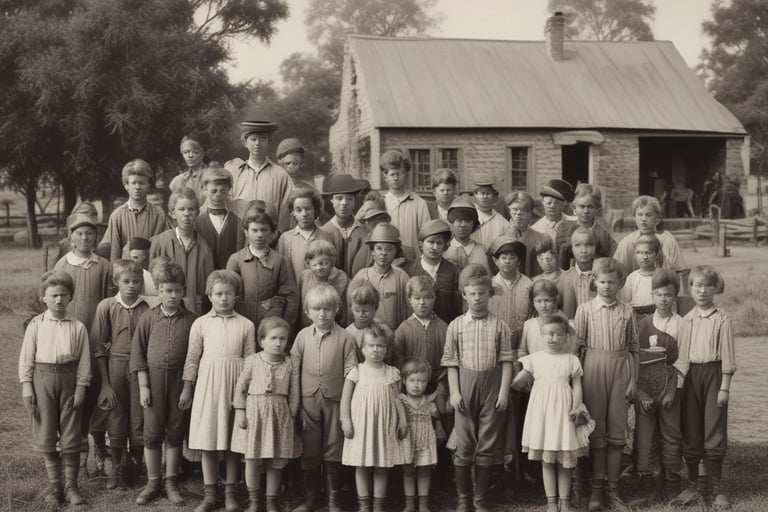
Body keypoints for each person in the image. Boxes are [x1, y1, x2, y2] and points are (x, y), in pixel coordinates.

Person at [441, 264, 514, 512]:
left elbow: (506, 361)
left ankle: (480, 499)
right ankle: (464, 499)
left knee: (487, 442)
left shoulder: (499, 326)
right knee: (464, 442)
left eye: (482, 293)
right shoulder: (456, 326)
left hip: (492, 385)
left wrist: (504, 391)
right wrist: (454, 391)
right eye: (471, 293)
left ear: (489, 294)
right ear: (464, 295)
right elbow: (451, 362)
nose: (477, 298)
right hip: (464, 384)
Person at [183, 270, 256, 512]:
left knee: (233, 442)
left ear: (236, 296)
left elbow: (250, 360)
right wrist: (187, 387)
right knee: (210, 439)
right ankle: (210, 494)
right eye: (218, 294)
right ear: (209, 296)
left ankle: (230, 494)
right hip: (209, 385)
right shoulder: (201, 323)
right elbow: (192, 358)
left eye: (228, 294)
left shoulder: (246, 324)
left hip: (236, 384)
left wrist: (245, 392)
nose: (223, 298)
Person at [19, 270, 92, 507]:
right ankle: (55, 486)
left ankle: (71, 485)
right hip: (42, 382)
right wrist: (27, 388)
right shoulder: (36, 325)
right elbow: (26, 359)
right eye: (54, 295)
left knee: (71, 436)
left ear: (71, 297)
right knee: (47, 434)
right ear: (44, 298)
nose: (59, 300)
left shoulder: (77, 327)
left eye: (64, 295)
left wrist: (81, 388)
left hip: (70, 381)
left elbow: (84, 360)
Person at [130, 261, 197, 506]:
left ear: (183, 291)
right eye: (167, 290)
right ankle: (153, 481)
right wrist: (144, 386)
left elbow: (195, 355)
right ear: (159, 290)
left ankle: (171, 481)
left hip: (180, 381)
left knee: (176, 431)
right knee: (152, 432)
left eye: (177, 291)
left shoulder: (192, 320)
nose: (172, 295)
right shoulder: (149, 317)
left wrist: (188, 387)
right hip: (153, 382)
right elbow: (137, 352)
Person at [574, 257, 639, 511]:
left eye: (612, 282)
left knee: (617, 432)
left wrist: (633, 381)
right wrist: (577, 385)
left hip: (620, 371)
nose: (607, 286)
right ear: (595, 282)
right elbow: (578, 349)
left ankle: (614, 489)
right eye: (602, 281)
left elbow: (634, 349)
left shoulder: (627, 311)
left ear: (620, 283)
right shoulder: (585, 310)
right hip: (593, 371)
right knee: (596, 431)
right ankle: (597, 491)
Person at [290, 283, 358, 512]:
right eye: (317, 309)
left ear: (337, 309)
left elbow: (352, 371)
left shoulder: (346, 338)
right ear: (307, 311)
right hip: (308, 402)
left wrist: (347, 409)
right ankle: (311, 499)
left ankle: (333, 500)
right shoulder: (301, 337)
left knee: (333, 449)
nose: (322, 314)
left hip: (335, 402)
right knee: (309, 450)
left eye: (327, 309)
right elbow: (294, 371)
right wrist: (295, 405)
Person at [673, 266, 735, 509]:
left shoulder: (722, 319)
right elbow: (682, 356)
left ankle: (717, 488)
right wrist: (679, 383)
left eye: (706, 286)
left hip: (714, 376)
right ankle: (694, 486)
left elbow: (728, 356)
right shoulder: (686, 320)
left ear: (715, 289)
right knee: (691, 429)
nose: (701, 290)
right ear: (690, 288)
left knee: (714, 429)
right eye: (696, 285)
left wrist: (725, 387)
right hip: (690, 377)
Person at [54, 212, 111, 473]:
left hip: (97, 338)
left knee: (95, 392)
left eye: (90, 233)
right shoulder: (62, 266)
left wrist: (106, 336)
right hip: (70, 341)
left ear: (96, 238)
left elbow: (109, 304)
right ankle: (76, 452)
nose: (85, 238)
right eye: (79, 233)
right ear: (70, 238)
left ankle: (100, 446)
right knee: (72, 395)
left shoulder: (104, 266)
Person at [512, 315, 587, 512]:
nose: (552, 338)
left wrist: (576, 407)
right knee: (547, 457)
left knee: (564, 459)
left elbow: (577, 387)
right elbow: (518, 383)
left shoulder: (571, 360)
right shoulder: (534, 359)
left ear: (565, 337)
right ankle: (551, 502)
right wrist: (511, 384)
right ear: (542, 335)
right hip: (543, 413)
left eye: (557, 334)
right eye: (548, 334)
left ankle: (565, 501)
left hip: (564, 412)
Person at [90, 260, 151, 490]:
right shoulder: (106, 306)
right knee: (115, 415)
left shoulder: (147, 308)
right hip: (114, 366)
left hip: (140, 368)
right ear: (116, 282)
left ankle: (134, 467)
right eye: (126, 281)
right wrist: (105, 383)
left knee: (138, 416)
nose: (132, 286)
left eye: (136, 281)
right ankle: (116, 468)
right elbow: (99, 347)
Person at [340, 323, 411, 512]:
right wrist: (345, 421)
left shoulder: (391, 372)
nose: (375, 350)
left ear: (386, 349)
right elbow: (345, 400)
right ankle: (364, 505)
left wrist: (403, 422)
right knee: (361, 465)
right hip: (361, 425)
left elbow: (398, 400)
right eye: (371, 345)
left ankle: (378, 506)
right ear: (362, 348)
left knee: (381, 464)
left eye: (380, 346)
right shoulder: (357, 372)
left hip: (384, 426)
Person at [234, 317, 301, 512]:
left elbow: (294, 392)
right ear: (262, 341)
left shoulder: (290, 363)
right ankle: (254, 501)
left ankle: (272, 501)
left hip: (280, 415)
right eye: (273, 338)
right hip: (255, 414)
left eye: (282, 339)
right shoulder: (252, 360)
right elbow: (241, 387)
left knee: (276, 460)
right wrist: (240, 411)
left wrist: (291, 414)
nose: (278, 343)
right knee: (253, 459)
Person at [633, 269, 683, 505]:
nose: (663, 299)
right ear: (652, 295)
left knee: (671, 434)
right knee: (645, 435)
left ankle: (672, 485)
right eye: (658, 294)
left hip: (670, 386)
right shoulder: (643, 324)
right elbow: (636, 360)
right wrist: (641, 393)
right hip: (645, 387)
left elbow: (684, 361)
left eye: (668, 294)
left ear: (675, 296)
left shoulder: (681, 324)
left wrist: (672, 390)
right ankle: (648, 485)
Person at [393, 276, 450, 439]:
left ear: (435, 298)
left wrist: (442, 388)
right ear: (409, 300)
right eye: (417, 298)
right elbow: (397, 365)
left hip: (437, 389)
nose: (422, 303)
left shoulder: (444, 328)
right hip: (412, 392)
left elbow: (450, 361)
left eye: (427, 298)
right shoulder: (403, 330)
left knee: (439, 432)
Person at [227, 211, 299, 330]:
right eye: (254, 230)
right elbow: (228, 292)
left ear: (271, 233)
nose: (259, 235)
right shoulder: (236, 259)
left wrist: (285, 324)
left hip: (271, 323)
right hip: (242, 322)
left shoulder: (280, 261)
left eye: (264, 230)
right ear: (246, 232)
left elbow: (291, 295)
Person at [149, 187, 215, 315]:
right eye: (181, 209)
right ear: (172, 213)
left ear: (197, 213)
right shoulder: (160, 242)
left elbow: (208, 285)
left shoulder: (204, 247)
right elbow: (153, 282)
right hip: (165, 310)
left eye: (191, 209)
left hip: (195, 311)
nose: (186, 214)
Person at [350, 223, 410, 331]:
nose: (384, 253)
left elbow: (409, 310)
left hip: (394, 334)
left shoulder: (401, 277)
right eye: (379, 248)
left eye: (389, 249)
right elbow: (352, 310)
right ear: (372, 252)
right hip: (367, 336)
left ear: (395, 252)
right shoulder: (361, 276)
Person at [107, 159, 169, 262]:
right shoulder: (117, 216)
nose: (137, 187)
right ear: (126, 186)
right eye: (133, 183)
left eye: (141, 183)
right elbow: (115, 253)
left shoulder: (158, 214)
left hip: (152, 271)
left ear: (149, 185)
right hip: (126, 273)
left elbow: (165, 247)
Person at [225, 120, 293, 214]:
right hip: (238, 227)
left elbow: (286, 210)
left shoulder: (280, 174)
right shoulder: (234, 172)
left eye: (262, 139)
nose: (257, 143)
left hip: (270, 228)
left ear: (269, 142)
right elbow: (225, 203)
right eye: (253, 139)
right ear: (245, 142)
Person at [399, 359, 440, 512]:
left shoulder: (429, 402)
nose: (417, 385)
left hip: (425, 442)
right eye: (412, 380)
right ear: (404, 381)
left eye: (422, 381)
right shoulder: (401, 401)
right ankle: (409, 504)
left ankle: (423, 504)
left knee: (424, 471)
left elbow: (436, 417)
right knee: (408, 472)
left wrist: (436, 412)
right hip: (408, 442)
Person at [613, 196, 687, 278]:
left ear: (657, 218)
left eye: (648, 215)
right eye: (640, 215)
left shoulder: (667, 239)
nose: (643, 219)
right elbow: (617, 272)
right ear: (634, 218)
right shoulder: (627, 242)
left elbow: (680, 271)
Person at [404, 219, 460, 324]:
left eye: (439, 243)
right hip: (415, 330)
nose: (434, 247)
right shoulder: (409, 271)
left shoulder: (453, 271)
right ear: (421, 244)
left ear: (445, 246)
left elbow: (457, 308)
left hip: (445, 330)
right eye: (430, 242)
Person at [278, 187, 335, 280]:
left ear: (315, 210)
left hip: (320, 291)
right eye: (298, 210)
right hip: (294, 290)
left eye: (308, 208)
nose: (304, 214)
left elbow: (332, 268)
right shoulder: (286, 239)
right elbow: (281, 270)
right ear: (293, 212)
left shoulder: (325, 236)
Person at [194, 165, 245, 270]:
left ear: (229, 190)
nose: (218, 195)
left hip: (232, 274)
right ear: (205, 189)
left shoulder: (237, 221)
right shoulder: (197, 221)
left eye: (223, 191)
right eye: (213, 191)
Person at [557, 183, 617, 270]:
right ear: (574, 209)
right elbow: (558, 259)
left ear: (596, 209)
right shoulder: (564, 229)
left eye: (590, 207)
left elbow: (612, 258)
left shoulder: (603, 234)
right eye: (582, 207)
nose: (586, 211)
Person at [320, 173, 370, 276]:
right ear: (332, 200)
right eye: (339, 198)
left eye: (349, 199)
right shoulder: (323, 232)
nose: (344, 203)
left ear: (355, 201)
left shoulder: (365, 232)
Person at [381, 150, 430, 249]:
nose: (396, 178)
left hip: (413, 259)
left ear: (406, 175)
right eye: (392, 174)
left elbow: (426, 235)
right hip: (388, 259)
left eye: (399, 174)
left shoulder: (419, 203)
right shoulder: (381, 203)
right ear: (385, 177)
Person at [488, 237, 532, 340]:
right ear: (495, 261)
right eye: (503, 258)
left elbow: (532, 315)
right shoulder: (489, 285)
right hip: (494, 338)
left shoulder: (529, 285)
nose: (507, 261)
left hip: (522, 340)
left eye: (512, 258)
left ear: (519, 261)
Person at [298, 239, 350, 328]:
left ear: (332, 262)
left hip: (334, 325)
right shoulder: (304, 276)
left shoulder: (341, 278)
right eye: (315, 265)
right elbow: (299, 303)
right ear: (308, 263)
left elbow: (346, 307)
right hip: (307, 325)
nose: (319, 268)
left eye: (325, 263)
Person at [519, 280, 576, 357]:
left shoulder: (569, 325)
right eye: (538, 301)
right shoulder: (529, 325)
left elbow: (574, 350)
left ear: (556, 301)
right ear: (533, 302)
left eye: (547, 300)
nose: (543, 305)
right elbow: (523, 351)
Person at [503, 190, 552, 277]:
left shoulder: (541, 239)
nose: (519, 213)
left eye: (524, 210)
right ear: (509, 211)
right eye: (515, 209)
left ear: (530, 214)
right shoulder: (501, 239)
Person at [558, 228, 598, 319]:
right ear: (571, 248)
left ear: (595, 247)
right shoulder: (564, 278)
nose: (584, 250)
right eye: (577, 245)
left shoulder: (602, 275)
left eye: (589, 245)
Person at [444, 196, 490, 273]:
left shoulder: (482, 251)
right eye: (459, 220)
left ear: (474, 224)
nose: (463, 225)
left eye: (468, 221)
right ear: (452, 223)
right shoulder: (444, 250)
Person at [619, 234, 661, 316]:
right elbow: (625, 303)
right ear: (635, 255)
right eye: (639, 253)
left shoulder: (662, 276)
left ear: (657, 255)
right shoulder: (632, 278)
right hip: (637, 317)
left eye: (648, 253)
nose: (644, 257)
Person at [531, 179, 575, 251]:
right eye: (549, 202)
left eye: (556, 202)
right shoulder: (535, 229)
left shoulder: (573, 223)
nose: (552, 206)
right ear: (543, 201)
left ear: (563, 204)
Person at [470, 174, 508, 248]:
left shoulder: (502, 223)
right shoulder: (468, 217)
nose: (484, 197)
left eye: (488, 193)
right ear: (474, 196)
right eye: (481, 193)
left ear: (495, 197)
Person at [169, 135, 207, 203]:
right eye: (186, 152)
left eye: (195, 152)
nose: (190, 155)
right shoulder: (178, 181)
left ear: (202, 154)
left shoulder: (213, 176)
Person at [346, 281, 381, 354]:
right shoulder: (347, 334)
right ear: (351, 308)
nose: (362, 314)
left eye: (366, 311)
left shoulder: (382, 330)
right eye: (357, 310)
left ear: (375, 308)